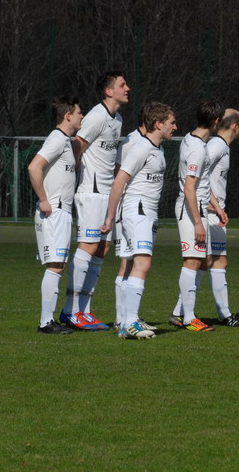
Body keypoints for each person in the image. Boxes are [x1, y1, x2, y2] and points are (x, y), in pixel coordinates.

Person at [61, 71, 130, 331]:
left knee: (102, 249)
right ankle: (70, 311)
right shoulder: (96, 116)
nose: (127, 88)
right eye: (122, 85)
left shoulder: (117, 119)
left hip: (106, 193)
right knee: (88, 246)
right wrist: (72, 179)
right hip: (90, 191)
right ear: (109, 91)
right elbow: (77, 145)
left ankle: (85, 310)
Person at [101, 102, 176, 339]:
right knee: (143, 264)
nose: (175, 127)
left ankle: (126, 322)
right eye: (172, 122)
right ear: (159, 124)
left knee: (133, 264)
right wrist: (110, 217)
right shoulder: (141, 148)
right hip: (137, 211)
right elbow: (118, 182)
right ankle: (131, 322)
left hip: (147, 213)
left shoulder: (157, 149)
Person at [168, 100, 225, 332]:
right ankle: (189, 318)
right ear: (216, 121)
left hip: (199, 207)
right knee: (192, 261)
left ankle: (178, 312)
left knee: (203, 262)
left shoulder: (192, 140)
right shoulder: (198, 149)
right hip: (191, 210)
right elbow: (189, 188)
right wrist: (198, 222)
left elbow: (201, 182)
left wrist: (217, 207)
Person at [28, 96, 83, 334]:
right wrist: (43, 199)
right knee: (55, 266)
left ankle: (48, 321)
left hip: (62, 211)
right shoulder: (57, 139)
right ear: (68, 116)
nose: (82, 116)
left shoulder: (66, 142)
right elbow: (34, 166)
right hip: (54, 211)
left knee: (58, 265)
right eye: (79, 113)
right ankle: (46, 322)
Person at [112, 105, 155, 330]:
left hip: (141, 210)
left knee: (131, 263)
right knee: (128, 262)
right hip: (129, 209)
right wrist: (114, 213)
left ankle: (127, 319)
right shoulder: (132, 142)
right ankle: (123, 319)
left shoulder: (154, 145)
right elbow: (119, 175)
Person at [205, 109, 239, 325]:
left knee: (219, 260)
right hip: (209, 212)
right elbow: (198, 172)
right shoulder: (217, 145)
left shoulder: (223, 146)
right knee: (202, 262)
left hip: (216, 212)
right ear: (235, 126)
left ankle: (225, 314)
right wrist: (210, 202)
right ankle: (179, 313)